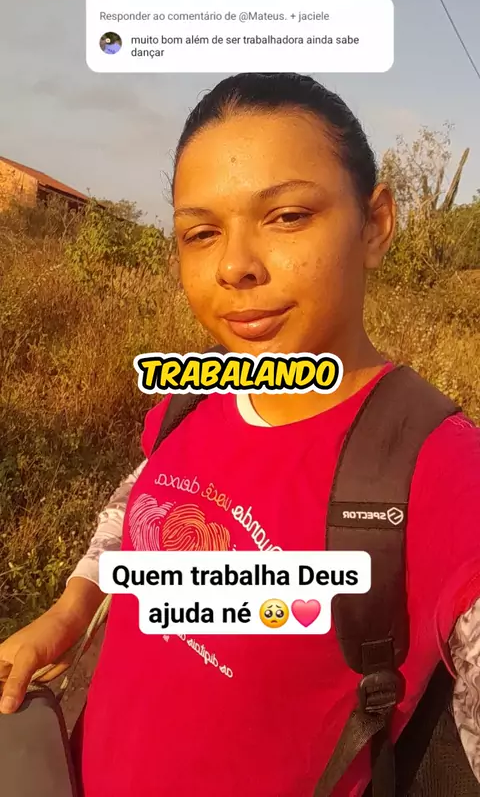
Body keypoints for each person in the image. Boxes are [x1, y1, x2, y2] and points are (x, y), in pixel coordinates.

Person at [0, 73, 479, 796]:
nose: (234, 267)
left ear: (375, 224)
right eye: (201, 233)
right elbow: (137, 497)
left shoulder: (440, 470)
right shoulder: (197, 394)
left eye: (287, 216)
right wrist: (71, 610)